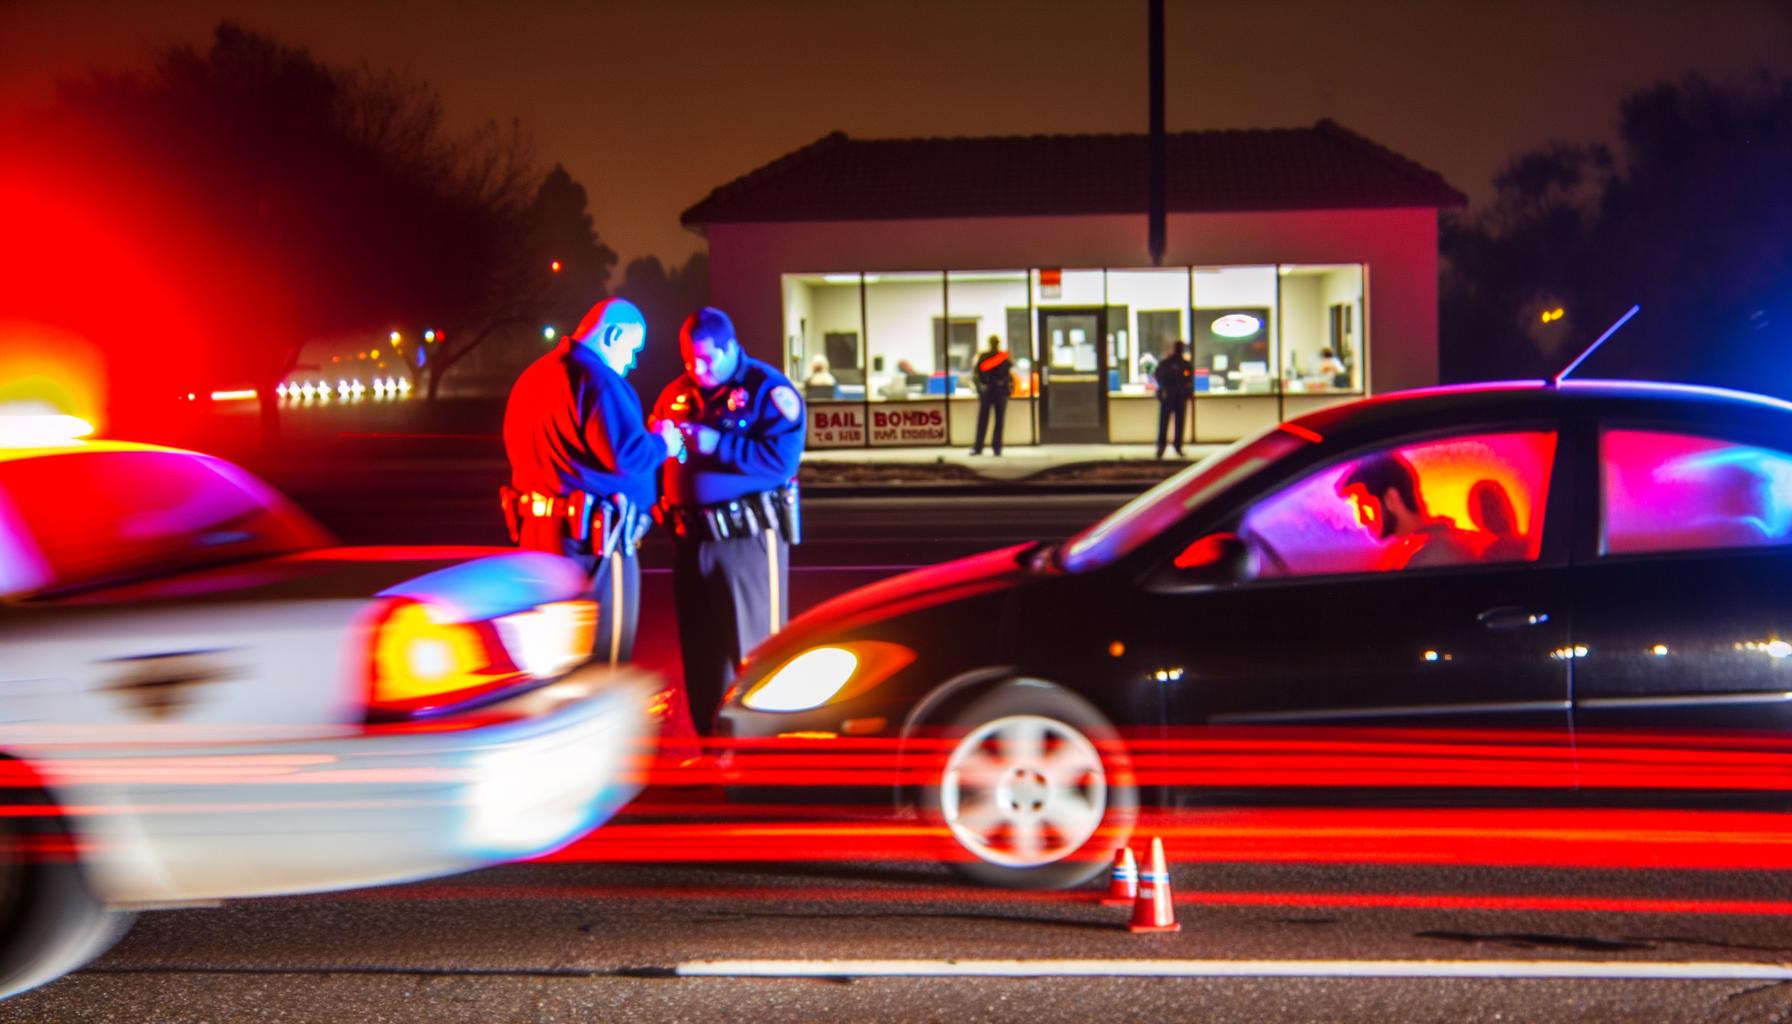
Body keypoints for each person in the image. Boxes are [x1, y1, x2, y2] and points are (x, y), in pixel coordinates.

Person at [501, 297, 684, 666]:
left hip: (536, 533)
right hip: (592, 544)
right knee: (603, 657)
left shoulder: (532, 377)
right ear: (613, 334)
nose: (631, 363)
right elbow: (628, 455)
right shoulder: (597, 380)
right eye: (631, 350)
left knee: (551, 659)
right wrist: (665, 441)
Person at [652, 307, 805, 734]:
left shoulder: (766, 391)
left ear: (730, 347)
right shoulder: (675, 394)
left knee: (757, 650)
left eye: (705, 359)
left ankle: (765, 752)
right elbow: (654, 452)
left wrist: (719, 443)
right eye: (688, 360)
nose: (696, 369)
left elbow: (780, 461)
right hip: (690, 540)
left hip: (746, 539)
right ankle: (715, 749)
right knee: (701, 655)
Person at [1336, 452, 1482, 571]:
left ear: (1392, 499)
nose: (1361, 521)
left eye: (1364, 505)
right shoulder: (1407, 548)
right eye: (1355, 509)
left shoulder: (1434, 556)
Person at [970, 335, 1013, 456]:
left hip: (989, 390)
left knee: (984, 419)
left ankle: (979, 447)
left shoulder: (984, 356)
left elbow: (978, 373)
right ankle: (996, 448)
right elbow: (1007, 373)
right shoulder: (1003, 357)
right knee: (998, 420)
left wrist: (984, 384)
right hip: (997, 391)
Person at [1153, 340, 1194, 458]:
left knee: (1177, 422)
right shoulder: (1167, 364)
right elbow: (1158, 377)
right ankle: (1162, 447)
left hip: (1178, 397)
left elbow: (1189, 381)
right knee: (1164, 422)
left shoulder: (1184, 364)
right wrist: (1162, 389)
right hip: (1169, 396)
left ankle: (1176, 446)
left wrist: (1187, 393)